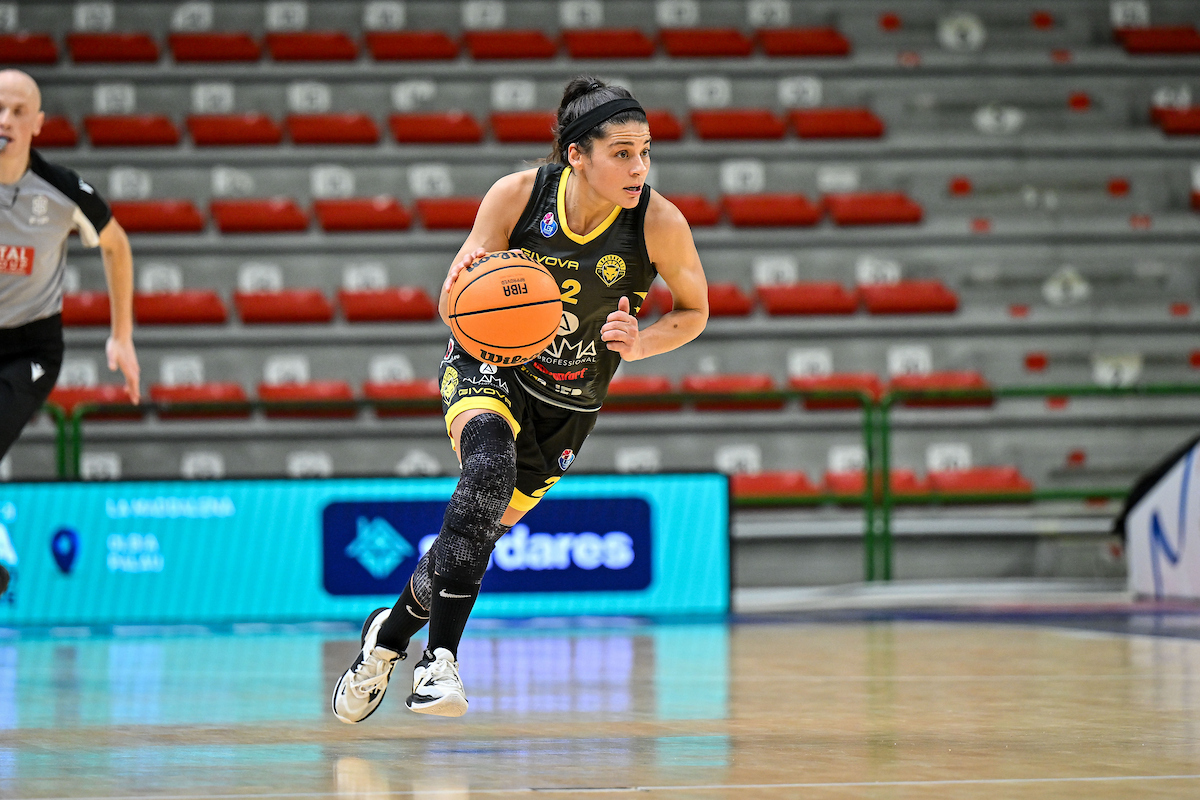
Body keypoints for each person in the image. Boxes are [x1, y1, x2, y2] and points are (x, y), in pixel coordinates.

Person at [332, 75, 709, 722]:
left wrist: (643, 344)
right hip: (491, 366)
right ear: (576, 156)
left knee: (473, 533)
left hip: (570, 400)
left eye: (646, 150)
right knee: (488, 468)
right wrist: (478, 293)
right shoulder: (518, 196)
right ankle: (438, 663)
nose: (639, 166)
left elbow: (695, 310)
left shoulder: (658, 222)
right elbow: (458, 299)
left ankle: (386, 637)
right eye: (622, 152)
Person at [0, 69, 139, 464]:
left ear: (37, 124)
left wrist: (122, 335)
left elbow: (117, 245)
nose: (5, 119)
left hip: (30, 349)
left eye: (18, 110)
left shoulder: (62, 191)